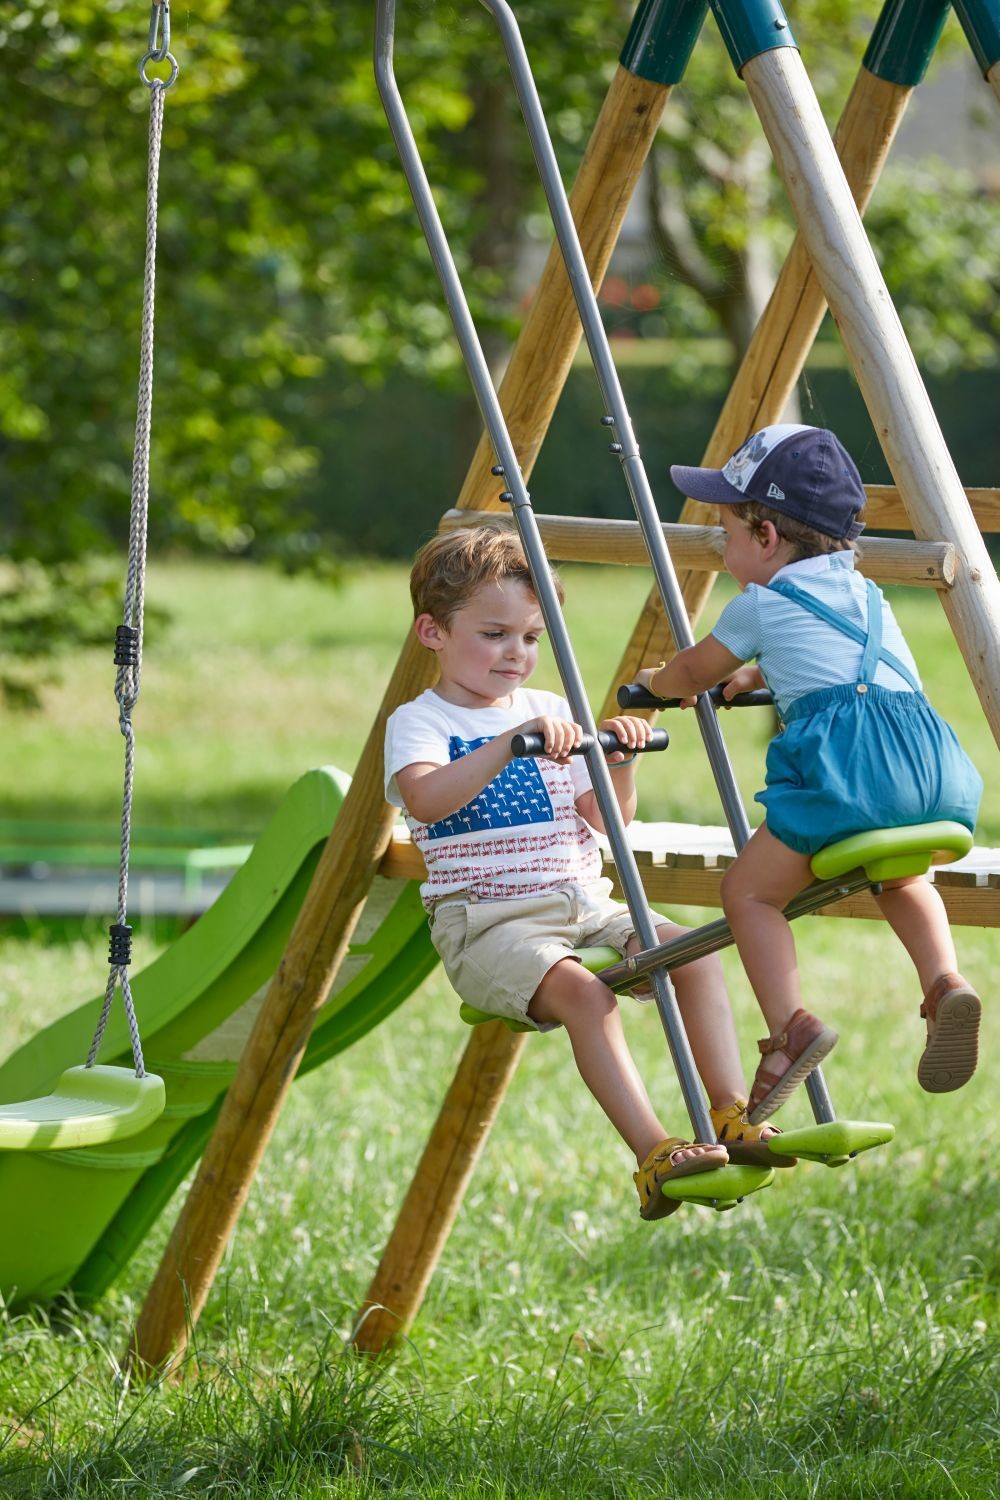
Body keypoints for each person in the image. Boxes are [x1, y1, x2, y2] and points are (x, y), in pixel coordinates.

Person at [385, 524, 789, 1222]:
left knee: (693, 954)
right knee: (588, 998)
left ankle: (729, 1113)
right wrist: (508, 747)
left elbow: (608, 820)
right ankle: (656, 1154)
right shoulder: (421, 721)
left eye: (532, 638)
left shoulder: (550, 711)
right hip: (487, 923)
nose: (516, 654)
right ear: (432, 632)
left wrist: (618, 760)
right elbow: (425, 797)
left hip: (583, 902)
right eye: (494, 634)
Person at [638, 424, 983, 1122]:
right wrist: (765, 670)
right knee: (903, 875)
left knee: (750, 894)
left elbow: (693, 672)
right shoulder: (867, 595)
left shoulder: (760, 604)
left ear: (766, 537)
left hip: (849, 772)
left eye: (727, 534)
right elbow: (838, 657)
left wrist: (657, 681)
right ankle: (944, 982)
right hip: (932, 772)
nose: (725, 550)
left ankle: (790, 1026)